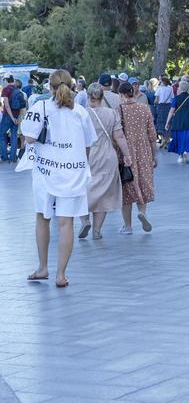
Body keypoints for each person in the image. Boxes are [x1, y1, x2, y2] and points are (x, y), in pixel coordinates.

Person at [19, 69, 97, 287]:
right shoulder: (81, 112)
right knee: (66, 223)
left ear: (50, 87)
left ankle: (43, 267)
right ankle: (61, 274)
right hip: (73, 173)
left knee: (42, 218)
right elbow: (89, 144)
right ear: (72, 87)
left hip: (46, 172)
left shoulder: (40, 108)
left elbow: (30, 138)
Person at [78, 83, 132, 240]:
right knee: (102, 194)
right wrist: (127, 155)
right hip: (107, 157)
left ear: (88, 97)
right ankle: (96, 231)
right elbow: (119, 137)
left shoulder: (81, 113)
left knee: (82, 191)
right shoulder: (112, 113)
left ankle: (85, 220)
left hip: (85, 156)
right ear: (102, 97)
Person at [118, 81, 157, 234]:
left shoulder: (118, 110)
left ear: (121, 95)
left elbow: (116, 135)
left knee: (127, 187)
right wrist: (154, 156)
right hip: (144, 151)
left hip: (126, 152)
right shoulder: (145, 109)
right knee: (143, 182)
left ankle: (127, 226)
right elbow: (152, 135)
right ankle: (142, 212)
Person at [1, 75, 20, 163]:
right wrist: (15, 117)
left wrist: (11, 117)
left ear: (6, 80)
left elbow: (7, 105)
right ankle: (13, 158)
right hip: (17, 115)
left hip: (8, 116)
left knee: (1, 134)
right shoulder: (17, 88)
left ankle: (5, 156)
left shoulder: (6, 89)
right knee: (14, 136)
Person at [154, 76, 173, 147]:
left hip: (161, 106)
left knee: (160, 123)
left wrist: (154, 103)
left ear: (163, 82)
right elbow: (172, 97)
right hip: (168, 106)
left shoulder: (159, 88)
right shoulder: (170, 88)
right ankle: (167, 139)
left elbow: (156, 99)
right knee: (168, 123)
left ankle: (163, 139)